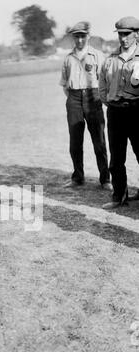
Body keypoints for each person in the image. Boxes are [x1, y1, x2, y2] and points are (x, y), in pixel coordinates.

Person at [60, 21, 111, 190]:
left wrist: (93, 96)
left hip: (92, 96)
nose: (80, 40)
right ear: (73, 38)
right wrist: (75, 97)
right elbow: (65, 85)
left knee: (99, 141)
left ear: (88, 36)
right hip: (74, 98)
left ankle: (105, 179)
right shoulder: (68, 58)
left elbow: (105, 81)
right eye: (76, 37)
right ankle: (78, 177)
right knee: (75, 141)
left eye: (82, 36)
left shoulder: (97, 55)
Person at [99, 16, 139, 209]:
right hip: (115, 112)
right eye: (121, 34)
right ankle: (119, 196)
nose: (123, 38)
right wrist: (114, 105)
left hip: (137, 111)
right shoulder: (110, 60)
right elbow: (102, 90)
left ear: (136, 34)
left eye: (127, 34)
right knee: (116, 158)